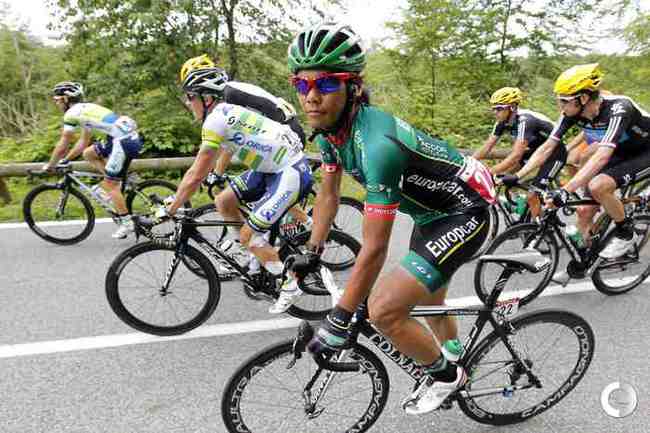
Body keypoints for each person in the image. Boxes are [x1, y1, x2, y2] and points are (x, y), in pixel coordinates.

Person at [287, 22, 496, 414]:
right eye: (301, 84)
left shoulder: (377, 146)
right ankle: (454, 354)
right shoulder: (330, 131)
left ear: (353, 88)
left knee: (383, 309)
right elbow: (328, 195)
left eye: (326, 84)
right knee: (430, 298)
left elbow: (374, 248)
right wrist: (312, 250)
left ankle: (447, 377)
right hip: (431, 216)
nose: (311, 96)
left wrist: (340, 317)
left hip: (464, 211)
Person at [163, 60, 313, 312]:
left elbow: (197, 171)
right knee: (224, 201)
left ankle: (289, 282)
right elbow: (230, 143)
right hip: (272, 163)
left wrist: (172, 207)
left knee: (250, 234)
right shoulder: (223, 109)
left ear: (206, 97)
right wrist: (217, 173)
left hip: (288, 166)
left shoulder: (224, 108)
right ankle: (254, 247)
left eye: (190, 97)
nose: (187, 103)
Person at [506, 63, 650, 261]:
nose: (560, 106)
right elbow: (547, 147)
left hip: (645, 152)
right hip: (621, 151)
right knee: (583, 211)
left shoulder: (619, 108)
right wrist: (517, 176)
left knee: (598, 186)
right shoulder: (572, 113)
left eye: (564, 101)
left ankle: (626, 232)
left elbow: (601, 156)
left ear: (583, 98)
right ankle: (583, 263)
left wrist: (566, 190)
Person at [43, 81, 143, 239]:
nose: (56, 103)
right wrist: (66, 160)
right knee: (89, 153)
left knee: (110, 186)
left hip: (122, 141)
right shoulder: (85, 109)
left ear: (66, 99)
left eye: (57, 100)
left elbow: (63, 144)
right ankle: (119, 179)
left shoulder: (71, 114)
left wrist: (51, 165)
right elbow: (83, 142)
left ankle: (126, 222)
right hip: (123, 137)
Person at [474, 87, 566, 218]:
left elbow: (515, 156)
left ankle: (539, 227)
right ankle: (517, 203)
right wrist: (469, 163)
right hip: (535, 151)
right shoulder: (502, 122)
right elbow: (486, 147)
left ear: (512, 107)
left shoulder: (525, 120)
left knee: (532, 195)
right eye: (493, 108)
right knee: (501, 177)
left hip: (555, 153)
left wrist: (487, 173)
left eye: (499, 108)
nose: (495, 112)